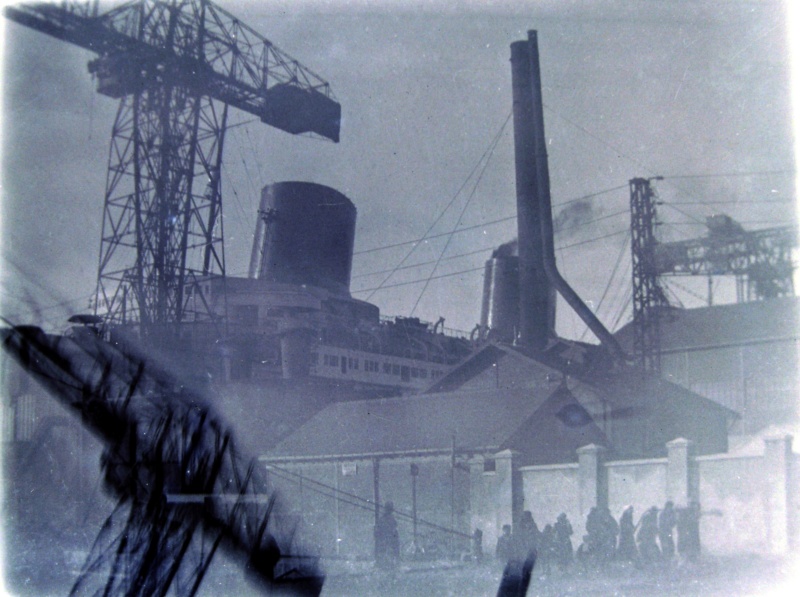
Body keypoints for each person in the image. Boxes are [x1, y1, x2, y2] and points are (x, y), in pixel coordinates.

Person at [374, 501, 400, 569]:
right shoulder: (391, 520)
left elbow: (376, 533)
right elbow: (395, 533)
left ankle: (384, 564)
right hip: (387, 543)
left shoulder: (381, 520)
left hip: (384, 543)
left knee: (385, 555)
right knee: (388, 555)